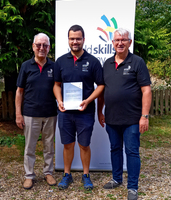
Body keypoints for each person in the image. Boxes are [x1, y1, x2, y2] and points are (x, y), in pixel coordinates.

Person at [97, 28, 152, 200]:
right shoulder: (106, 64)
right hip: (112, 118)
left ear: (130, 42)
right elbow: (102, 90)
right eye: (117, 40)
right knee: (114, 149)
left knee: (132, 151)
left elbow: (147, 90)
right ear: (112, 43)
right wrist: (99, 111)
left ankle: (133, 187)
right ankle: (116, 179)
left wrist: (145, 116)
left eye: (124, 40)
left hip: (132, 119)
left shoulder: (137, 62)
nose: (120, 43)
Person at [53, 25, 104, 190]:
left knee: (84, 145)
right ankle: (67, 175)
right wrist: (59, 100)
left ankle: (86, 175)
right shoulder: (60, 61)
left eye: (78, 38)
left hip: (85, 112)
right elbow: (56, 85)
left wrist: (88, 100)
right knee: (68, 144)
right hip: (66, 113)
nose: (75, 41)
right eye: (72, 38)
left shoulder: (93, 61)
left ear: (83, 39)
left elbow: (101, 86)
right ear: (68, 40)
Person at [15, 33, 58, 190]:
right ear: (33, 46)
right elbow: (19, 91)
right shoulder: (26, 66)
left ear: (49, 48)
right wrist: (18, 114)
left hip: (50, 113)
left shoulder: (54, 67)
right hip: (30, 113)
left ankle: (48, 172)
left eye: (45, 45)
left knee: (49, 146)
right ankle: (29, 175)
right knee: (29, 147)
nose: (42, 48)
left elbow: (58, 88)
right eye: (38, 45)